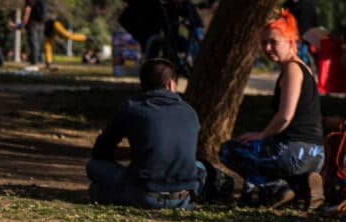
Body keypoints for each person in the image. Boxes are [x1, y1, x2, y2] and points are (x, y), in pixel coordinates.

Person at [219, 9, 325, 210]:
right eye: (264, 43)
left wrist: (262, 134)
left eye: (273, 42)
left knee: (229, 150)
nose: (267, 48)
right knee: (259, 150)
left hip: (296, 152)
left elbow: (285, 116)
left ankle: (272, 188)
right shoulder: (304, 68)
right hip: (315, 154)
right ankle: (302, 185)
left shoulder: (292, 70)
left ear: (290, 40)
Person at [86, 58, 206, 210]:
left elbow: (100, 151)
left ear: (142, 84)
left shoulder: (132, 108)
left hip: (145, 195)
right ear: (171, 84)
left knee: (94, 166)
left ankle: (105, 194)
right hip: (184, 199)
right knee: (200, 165)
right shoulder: (189, 112)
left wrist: (133, 153)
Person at [18, 0, 46, 68]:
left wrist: (23, 25)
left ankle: (34, 63)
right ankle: (37, 61)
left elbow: (28, 11)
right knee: (38, 44)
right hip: (41, 24)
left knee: (33, 44)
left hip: (33, 24)